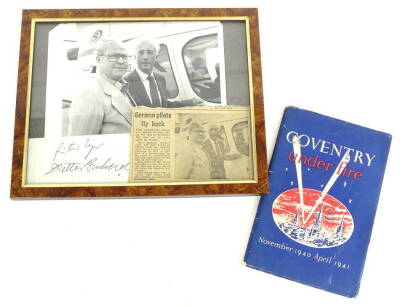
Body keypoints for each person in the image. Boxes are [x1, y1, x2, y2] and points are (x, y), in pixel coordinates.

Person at [68, 39, 133, 135]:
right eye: (114, 56)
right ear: (98, 60)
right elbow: (81, 143)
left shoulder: (123, 87)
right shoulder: (89, 94)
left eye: (124, 56)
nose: (121, 61)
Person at [124, 39, 202, 108]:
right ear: (135, 57)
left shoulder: (160, 78)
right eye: (141, 52)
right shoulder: (125, 82)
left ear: (156, 57)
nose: (145, 57)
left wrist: (189, 103)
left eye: (149, 52)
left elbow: (164, 105)